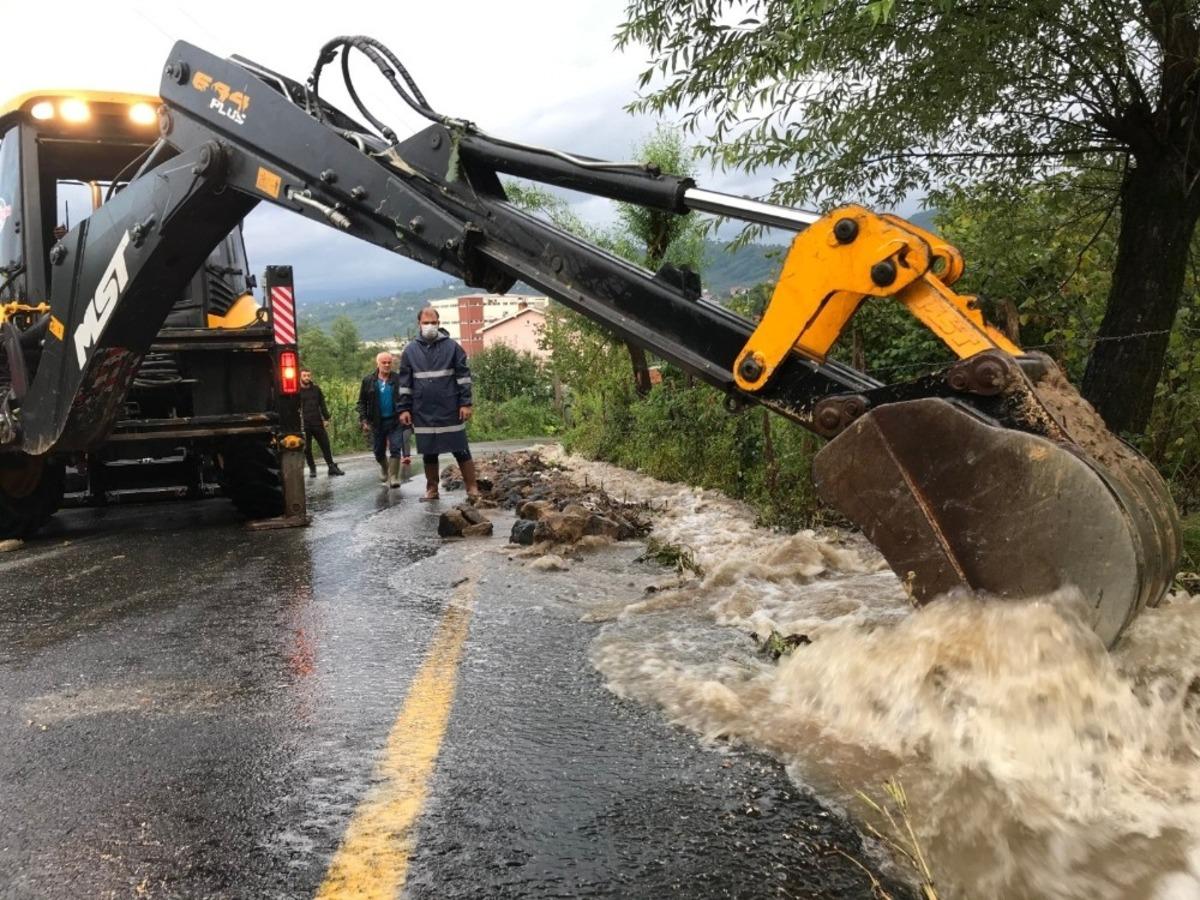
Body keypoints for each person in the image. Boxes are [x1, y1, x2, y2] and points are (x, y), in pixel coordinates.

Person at [398, 306, 479, 501]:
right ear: (419, 324)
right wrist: (404, 409)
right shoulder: (410, 351)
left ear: (439, 323)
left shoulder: (452, 347)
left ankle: (472, 487)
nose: (430, 326)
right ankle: (432, 490)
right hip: (422, 410)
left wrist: (465, 403)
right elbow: (404, 383)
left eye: (433, 322)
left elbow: (463, 377)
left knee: (460, 447)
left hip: (450, 408)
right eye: (426, 323)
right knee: (428, 450)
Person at [356, 351, 411, 489]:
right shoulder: (368, 380)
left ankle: (394, 477)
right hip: (377, 422)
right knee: (378, 451)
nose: (387, 365)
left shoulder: (398, 379)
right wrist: (364, 420)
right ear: (378, 364)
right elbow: (361, 402)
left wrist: (406, 413)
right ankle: (385, 468)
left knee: (395, 448)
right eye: (384, 362)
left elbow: (406, 398)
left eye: (389, 362)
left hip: (395, 420)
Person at [299, 368, 344, 478]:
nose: (307, 378)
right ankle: (312, 469)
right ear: (300, 377)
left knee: (325, 444)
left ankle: (331, 467)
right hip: (305, 423)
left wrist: (326, 418)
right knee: (307, 448)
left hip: (317, 421)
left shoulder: (316, 389)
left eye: (308, 375)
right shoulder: (297, 391)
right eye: (304, 376)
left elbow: (322, 404)